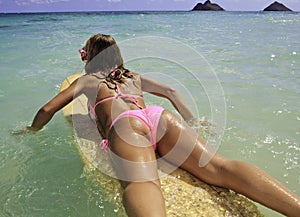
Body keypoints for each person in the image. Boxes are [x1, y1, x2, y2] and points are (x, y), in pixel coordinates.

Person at [21, 34, 299, 217]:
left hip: (125, 126)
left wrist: (31, 131)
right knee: (218, 168)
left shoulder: (87, 81)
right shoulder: (133, 77)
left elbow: (48, 109)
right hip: (158, 117)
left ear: (89, 57)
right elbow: (171, 92)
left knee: (142, 183)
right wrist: (192, 120)